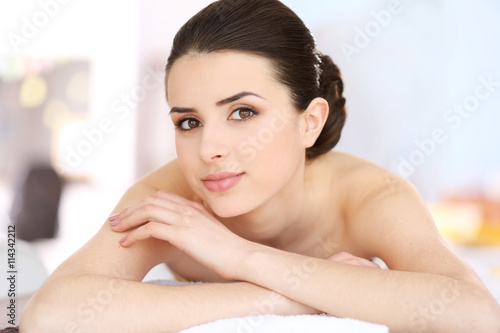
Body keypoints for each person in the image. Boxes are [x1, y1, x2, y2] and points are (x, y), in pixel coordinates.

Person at [20, 0, 500, 332]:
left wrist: (242, 258)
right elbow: (51, 315)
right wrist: (287, 296)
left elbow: (476, 315)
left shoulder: (370, 198)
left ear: (309, 122)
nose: (209, 148)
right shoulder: (170, 205)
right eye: (188, 121)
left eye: (243, 113)